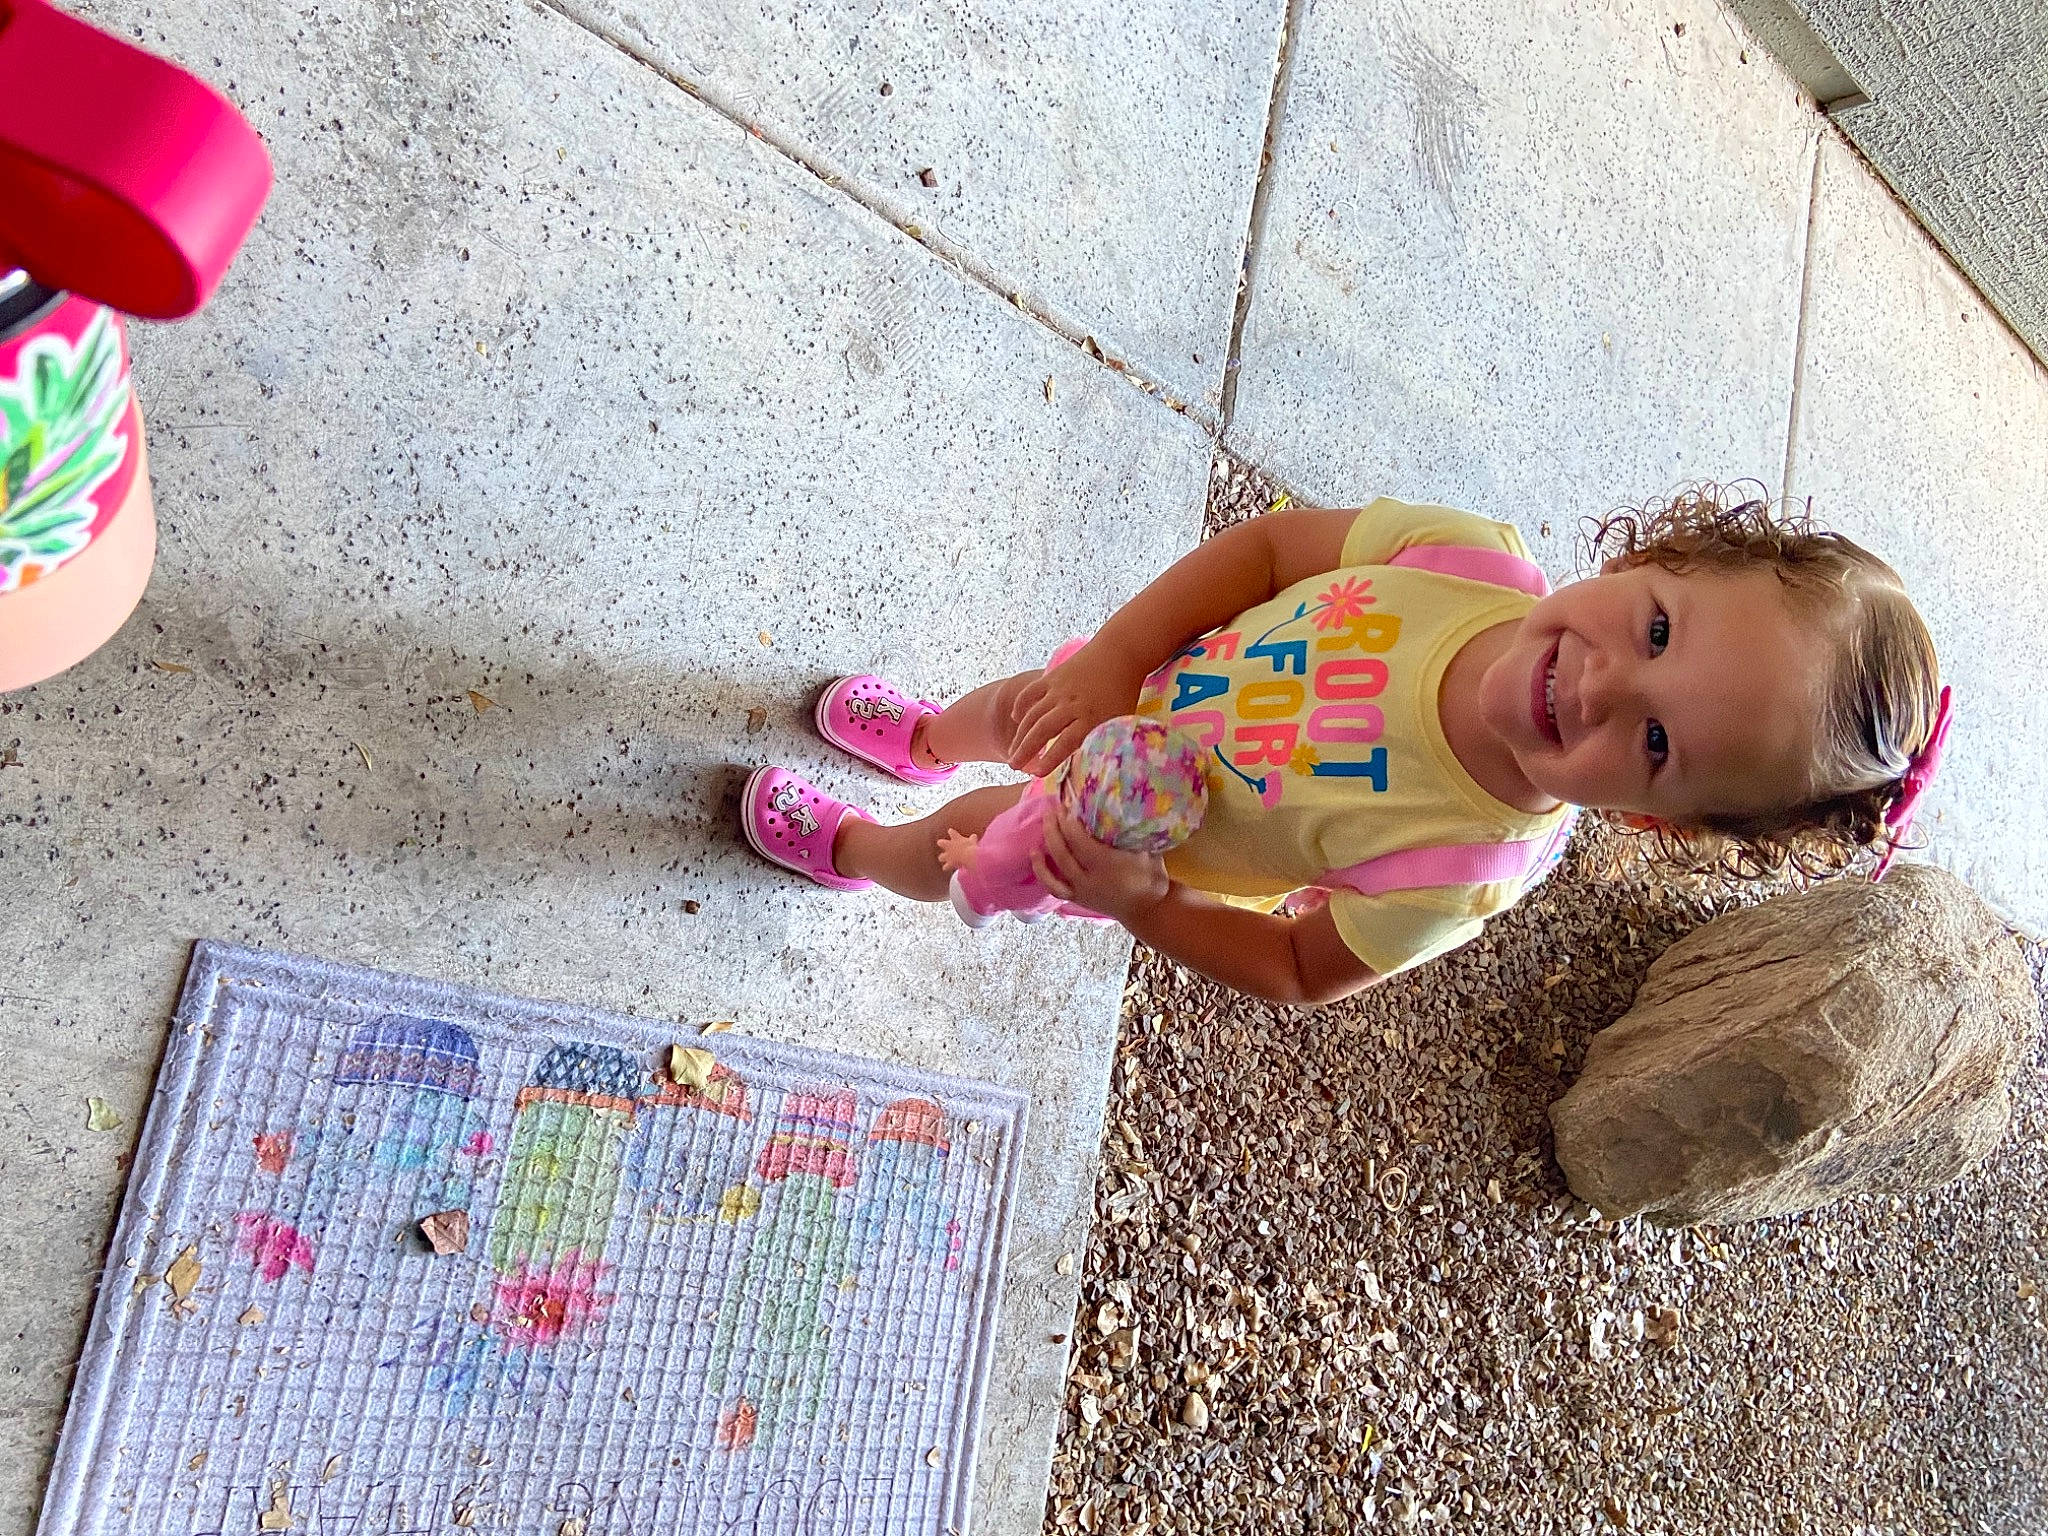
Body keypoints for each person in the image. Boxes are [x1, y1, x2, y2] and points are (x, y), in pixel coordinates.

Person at [739, 487, 1947, 1006]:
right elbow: (1265, 555)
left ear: (1654, 820)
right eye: (1655, 627)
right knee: (1009, 707)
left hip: (1111, 840)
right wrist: (1110, 663)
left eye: (1650, 740)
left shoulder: (1456, 870)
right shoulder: (1461, 559)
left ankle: (856, 844)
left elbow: (1300, 970)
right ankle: (929, 738)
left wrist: (1139, 903)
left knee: (959, 857)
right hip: (1129, 683)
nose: (1594, 684)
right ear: (1654, 553)